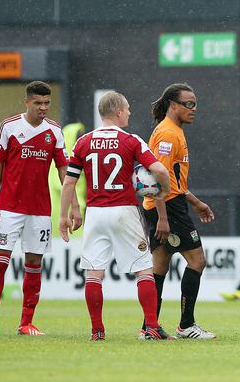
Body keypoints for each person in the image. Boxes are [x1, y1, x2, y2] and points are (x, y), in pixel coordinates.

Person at [59, 91, 171, 341]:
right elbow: (160, 170)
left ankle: (97, 330)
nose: (130, 113)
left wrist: (63, 217)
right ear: (119, 112)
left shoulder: (83, 142)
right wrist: (164, 188)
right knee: (143, 270)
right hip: (124, 210)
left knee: (93, 274)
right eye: (128, 109)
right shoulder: (131, 141)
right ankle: (151, 327)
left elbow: (69, 183)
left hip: (95, 213)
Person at [0, 81, 82, 336]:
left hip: (39, 210)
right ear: (26, 102)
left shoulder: (54, 131)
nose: (43, 107)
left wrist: (74, 205)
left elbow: (64, 169)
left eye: (47, 103)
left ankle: (26, 322)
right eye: (38, 103)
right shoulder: (9, 127)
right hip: (9, 208)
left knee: (34, 262)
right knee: (1, 262)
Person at [141, 83, 216, 339]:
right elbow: (156, 178)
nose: (194, 109)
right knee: (197, 261)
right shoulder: (168, 134)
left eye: (195, 104)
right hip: (167, 207)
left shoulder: (173, 130)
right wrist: (163, 217)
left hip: (165, 204)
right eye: (188, 104)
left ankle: (149, 327)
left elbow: (172, 179)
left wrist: (195, 202)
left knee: (159, 266)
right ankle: (186, 325)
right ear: (173, 105)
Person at [49, 122, 87, 237]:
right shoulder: (58, 164)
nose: (81, 140)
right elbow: (62, 185)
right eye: (78, 137)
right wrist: (76, 204)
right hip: (63, 213)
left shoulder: (80, 160)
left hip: (79, 211)